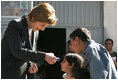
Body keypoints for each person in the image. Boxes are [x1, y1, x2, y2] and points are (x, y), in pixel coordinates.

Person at [1, 3, 58, 79]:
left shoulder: (36, 32)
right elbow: (18, 51)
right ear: (35, 17)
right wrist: (44, 56)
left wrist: (30, 67)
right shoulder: (15, 25)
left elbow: (28, 53)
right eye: (42, 25)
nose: (43, 29)